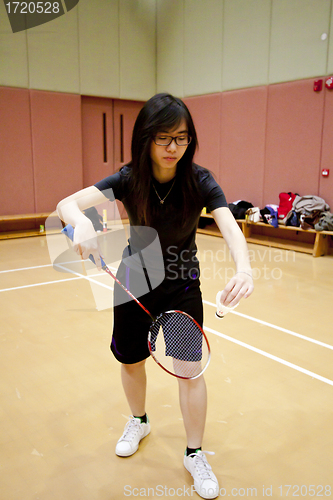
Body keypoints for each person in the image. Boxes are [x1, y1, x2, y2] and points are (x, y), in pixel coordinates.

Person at [57, 93, 254, 499]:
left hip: (182, 287)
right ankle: (140, 420)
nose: (172, 148)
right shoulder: (129, 178)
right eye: (163, 138)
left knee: (190, 370)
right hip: (134, 281)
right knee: (131, 361)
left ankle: (194, 452)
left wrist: (245, 268)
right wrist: (81, 223)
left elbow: (229, 225)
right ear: (146, 138)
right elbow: (67, 204)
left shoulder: (199, 180)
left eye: (181, 139)